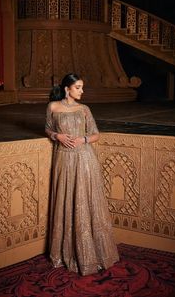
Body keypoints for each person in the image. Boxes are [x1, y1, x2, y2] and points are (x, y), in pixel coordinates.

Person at [45, 73, 119, 276]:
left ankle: (92, 254)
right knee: (66, 199)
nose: (82, 91)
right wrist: (56, 135)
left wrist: (83, 140)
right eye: (78, 87)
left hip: (85, 158)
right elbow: (48, 129)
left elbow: (96, 134)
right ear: (67, 89)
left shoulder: (84, 109)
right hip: (64, 159)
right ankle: (66, 252)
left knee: (86, 200)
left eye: (82, 87)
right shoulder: (53, 107)